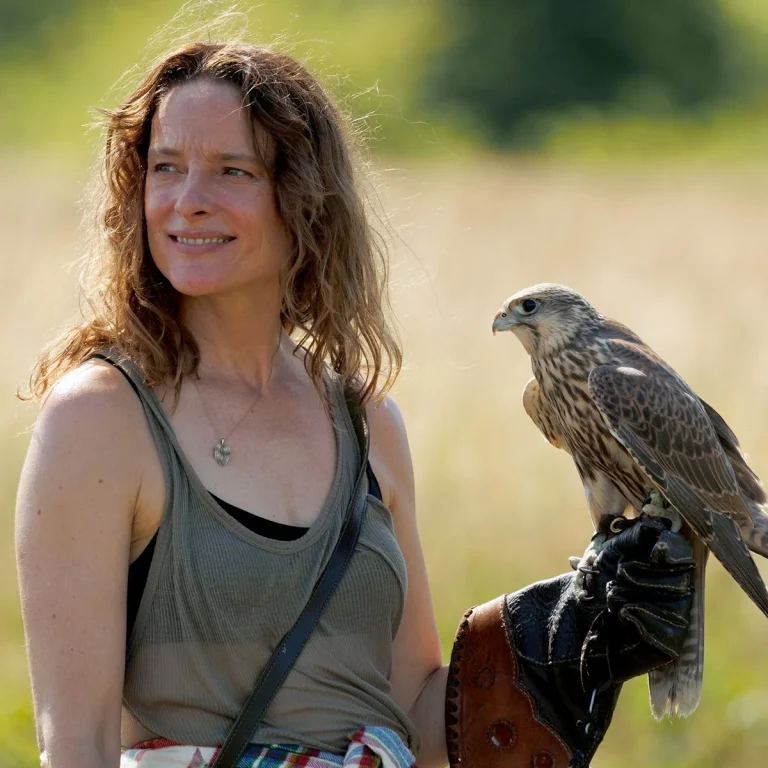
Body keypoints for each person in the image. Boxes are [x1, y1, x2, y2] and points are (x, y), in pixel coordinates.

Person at [15, 40, 695, 768]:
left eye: (232, 171)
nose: (188, 200)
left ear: (304, 197)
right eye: (165, 167)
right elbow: (76, 745)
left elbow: (412, 713)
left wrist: (570, 638)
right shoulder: (100, 420)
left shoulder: (366, 424)